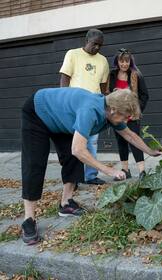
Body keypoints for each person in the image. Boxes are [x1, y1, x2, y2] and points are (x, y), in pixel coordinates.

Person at [20, 87, 161, 245]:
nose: (125, 120)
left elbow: (129, 135)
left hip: (61, 118)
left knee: (72, 158)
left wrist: (150, 151)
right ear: (113, 110)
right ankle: (29, 219)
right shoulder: (90, 110)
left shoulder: (111, 113)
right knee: (35, 164)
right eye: (125, 117)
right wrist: (109, 170)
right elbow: (78, 149)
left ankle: (66, 203)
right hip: (38, 111)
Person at [59, 28, 109, 185]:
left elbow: (103, 87)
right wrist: (63, 101)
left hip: (94, 107)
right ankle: (73, 179)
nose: (97, 48)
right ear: (86, 41)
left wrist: (103, 105)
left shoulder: (103, 61)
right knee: (74, 143)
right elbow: (64, 78)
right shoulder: (73, 54)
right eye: (95, 44)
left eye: (100, 45)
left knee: (92, 142)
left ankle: (91, 176)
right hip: (74, 106)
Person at [107, 48, 149, 180]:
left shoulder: (136, 74)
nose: (124, 64)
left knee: (135, 141)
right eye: (121, 61)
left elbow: (144, 95)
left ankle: (142, 172)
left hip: (132, 116)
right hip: (117, 115)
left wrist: (135, 110)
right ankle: (125, 170)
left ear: (130, 62)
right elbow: (107, 93)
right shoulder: (112, 75)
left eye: (127, 61)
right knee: (121, 142)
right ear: (117, 62)